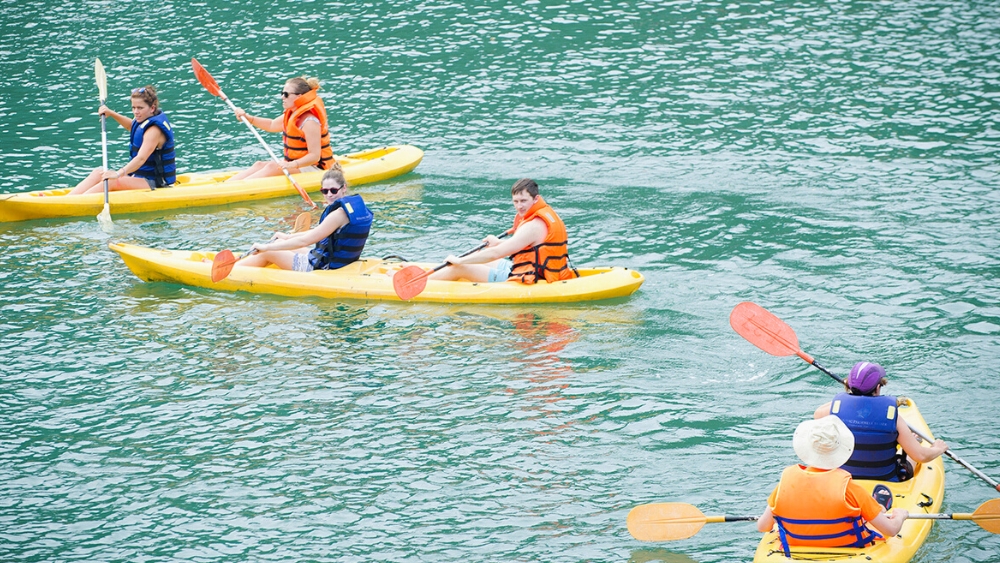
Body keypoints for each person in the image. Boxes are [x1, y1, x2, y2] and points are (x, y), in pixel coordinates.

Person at [757, 417, 909, 557]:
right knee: (864, 516)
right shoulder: (851, 488)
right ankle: (879, 508)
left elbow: (763, 526)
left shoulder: (784, 484)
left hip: (795, 549)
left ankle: (878, 508)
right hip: (850, 550)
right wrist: (900, 515)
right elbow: (891, 530)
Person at [814, 361, 948, 481]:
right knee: (911, 454)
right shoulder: (893, 417)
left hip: (845, 479)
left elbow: (817, 414)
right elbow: (921, 456)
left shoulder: (832, 412)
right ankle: (910, 441)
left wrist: (848, 397)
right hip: (885, 479)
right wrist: (937, 449)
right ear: (878, 388)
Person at [430, 178, 578, 284]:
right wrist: (498, 242)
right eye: (516, 201)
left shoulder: (532, 225)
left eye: (523, 201)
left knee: (460, 268)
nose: (519, 206)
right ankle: (420, 274)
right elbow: (528, 246)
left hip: (530, 277)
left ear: (535, 199)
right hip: (540, 269)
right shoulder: (545, 213)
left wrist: (459, 261)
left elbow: (496, 253)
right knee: (476, 256)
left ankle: (417, 287)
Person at [236, 168, 371, 272]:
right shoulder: (349, 209)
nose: (329, 195)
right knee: (281, 241)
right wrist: (288, 237)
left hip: (323, 268)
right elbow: (319, 232)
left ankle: (232, 271)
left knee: (268, 253)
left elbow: (304, 241)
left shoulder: (338, 215)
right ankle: (240, 265)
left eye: (333, 190)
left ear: (343, 188)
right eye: (325, 191)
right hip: (333, 261)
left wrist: (265, 247)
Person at [68, 86, 176, 194]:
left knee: (112, 181)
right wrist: (111, 113)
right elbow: (132, 126)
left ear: (152, 108)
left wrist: (118, 174)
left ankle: (76, 204)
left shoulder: (154, 130)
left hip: (155, 182)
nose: (136, 111)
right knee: (97, 174)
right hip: (139, 176)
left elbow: (141, 159)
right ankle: (68, 199)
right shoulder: (144, 119)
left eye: (140, 108)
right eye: (133, 108)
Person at [227, 76, 337, 181]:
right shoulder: (293, 114)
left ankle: (232, 189)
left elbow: (314, 156)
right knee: (259, 165)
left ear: (299, 96)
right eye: (282, 93)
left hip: (316, 168)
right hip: (298, 165)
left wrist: (291, 164)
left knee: (272, 167)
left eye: (286, 94)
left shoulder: (310, 121)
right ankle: (225, 185)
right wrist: (248, 117)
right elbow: (271, 125)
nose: (282, 97)